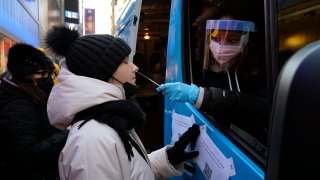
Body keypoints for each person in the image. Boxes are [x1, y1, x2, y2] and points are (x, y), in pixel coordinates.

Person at [45, 26, 200, 180]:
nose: (135, 67)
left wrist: (168, 158)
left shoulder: (109, 119)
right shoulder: (92, 141)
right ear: (104, 71)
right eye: (126, 62)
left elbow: (130, 170)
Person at [157, 0, 268, 145]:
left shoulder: (262, 72)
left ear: (249, 41)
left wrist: (202, 96)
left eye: (232, 39)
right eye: (215, 38)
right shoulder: (203, 70)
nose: (221, 46)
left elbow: (263, 109)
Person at [0, 43, 68, 180]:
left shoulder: (31, 95)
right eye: (43, 74)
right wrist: (66, 134)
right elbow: (27, 155)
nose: (48, 78)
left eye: (49, 74)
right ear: (26, 75)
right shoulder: (17, 108)